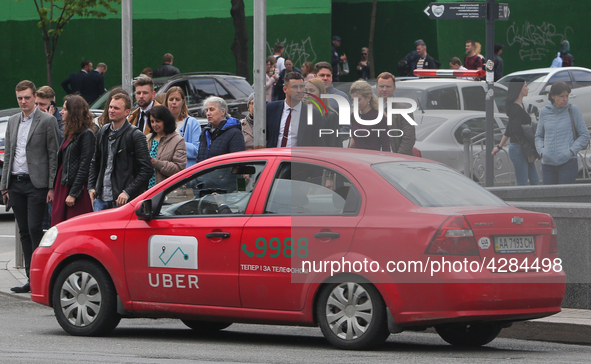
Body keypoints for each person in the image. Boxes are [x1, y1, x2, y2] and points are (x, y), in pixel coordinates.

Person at [1, 80, 59, 293]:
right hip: (15, 183)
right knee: (23, 230)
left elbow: (53, 154)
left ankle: (40, 276)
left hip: (37, 184)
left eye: (26, 97)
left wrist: (51, 186)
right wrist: (4, 185)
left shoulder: (47, 121)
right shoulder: (14, 121)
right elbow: (8, 154)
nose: (23, 101)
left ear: (35, 97)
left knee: (35, 229)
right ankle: (30, 278)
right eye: (19, 98)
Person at [88, 93, 153, 211]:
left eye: (116, 108)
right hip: (101, 198)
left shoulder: (135, 135)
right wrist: (92, 187)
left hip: (122, 201)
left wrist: (127, 192)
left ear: (127, 112)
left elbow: (147, 169)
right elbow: (95, 161)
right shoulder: (103, 131)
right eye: (110, 107)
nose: (111, 110)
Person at [51, 95, 96, 226]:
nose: (61, 112)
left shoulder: (86, 134)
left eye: (65, 109)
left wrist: (74, 193)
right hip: (63, 183)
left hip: (75, 189)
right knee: (58, 225)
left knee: (73, 226)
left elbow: (85, 166)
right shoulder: (70, 133)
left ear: (73, 112)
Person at [535, 81, 590, 185]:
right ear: (553, 96)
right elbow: (538, 136)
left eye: (567, 96)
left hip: (568, 163)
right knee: (550, 198)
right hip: (548, 164)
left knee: (566, 198)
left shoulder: (572, 110)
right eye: (561, 96)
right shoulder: (544, 112)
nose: (565, 99)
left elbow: (585, 135)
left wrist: (571, 151)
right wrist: (542, 152)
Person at [492, 78, 540, 186]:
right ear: (519, 89)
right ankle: (521, 202)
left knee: (535, 180)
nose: (527, 89)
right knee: (522, 182)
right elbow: (515, 128)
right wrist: (529, 140)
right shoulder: (515, 108)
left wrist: (499, 146)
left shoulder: (520, 106)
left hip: (522, 147)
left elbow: (509, 128)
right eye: (525, 86)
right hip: (519, 148)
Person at [266, 72, 324, 148]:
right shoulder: (272, 109)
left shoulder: (313, 114)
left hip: (298, 157)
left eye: (302, 87)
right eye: (295, 87)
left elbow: (319, 143)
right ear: (285, 89)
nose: (299, 90)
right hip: (275, 157)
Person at [146, 106, 187, 188]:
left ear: (166, 121)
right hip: (146, 191)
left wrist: (157, 163)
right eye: (152, 121)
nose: (154, 124)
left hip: (166, 191)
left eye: (158, 121)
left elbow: (179, 169)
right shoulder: (147, 138)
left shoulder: (178, 141)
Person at [376, 72, 416, 155]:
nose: (384, 89)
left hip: (395, 159)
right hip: (373, 157)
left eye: (388, 86)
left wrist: (397, 157)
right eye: (381, 86)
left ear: (394, 88)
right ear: (377, 87)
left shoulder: (404, 110)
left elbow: (409, 138)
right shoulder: (369, 108)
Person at [197, 96, 245, 162]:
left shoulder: (234, 133)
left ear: (223, 112)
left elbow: (238, 162)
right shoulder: (206, 132)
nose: (208, 113)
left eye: (212, 109)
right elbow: (199, 158)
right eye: (206, 110)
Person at [164, 86, 202, 167]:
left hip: (186, 172)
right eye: (171, 99)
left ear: (183, 101)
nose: (174, 102)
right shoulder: (161, 123)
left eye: (177, 99)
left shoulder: (192, 123)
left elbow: (197, 151)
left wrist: (177, 142)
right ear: (166, 102)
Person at [348, 80, 390, 151]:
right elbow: (354, 139)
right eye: (353, 100)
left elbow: (386, 145)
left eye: (358, 100)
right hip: (356, 157)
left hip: (372, 158)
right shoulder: (354, 115)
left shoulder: (379, 118)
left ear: (368, 98)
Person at [304, 78, 340, 147]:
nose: (307, 93)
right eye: (305, 90)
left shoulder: (330, 115)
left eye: (311, 90)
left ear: (321, 92)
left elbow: (334, 142)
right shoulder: (302, 113)